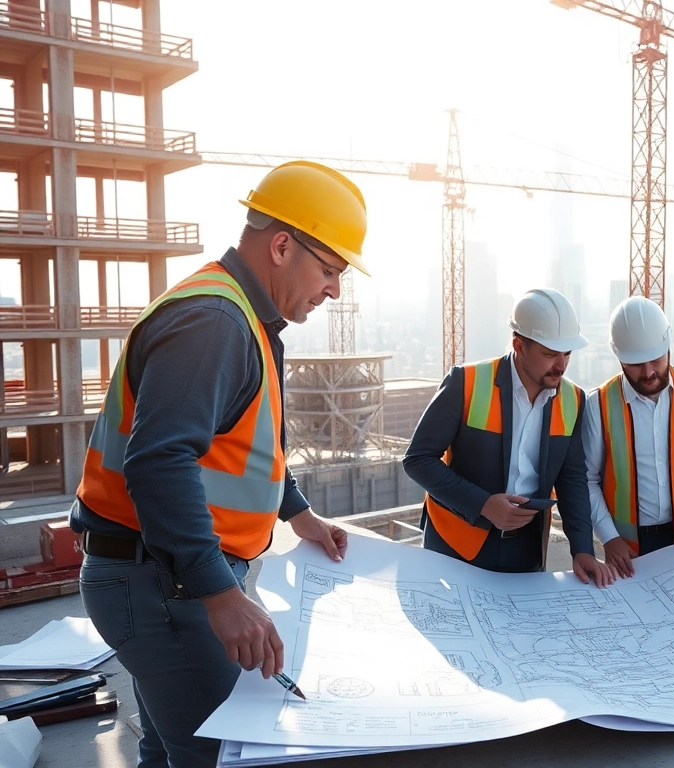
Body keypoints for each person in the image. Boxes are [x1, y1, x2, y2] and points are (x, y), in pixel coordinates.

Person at [70, 161, 367, 767]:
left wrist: (297, 512)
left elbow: (238, 446)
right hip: (164, 582)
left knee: (166, 751)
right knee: (218, 757)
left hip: (160, 575)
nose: (335, 290)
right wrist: (221, 595)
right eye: (330, 270)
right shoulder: (215, 322)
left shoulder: (240, 316)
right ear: (281, 247)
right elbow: (159, 463)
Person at [403, 288, 613, 587]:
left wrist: (582, 549)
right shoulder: (466, 382)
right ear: (519, 345)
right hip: (456, 545)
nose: (561, 365)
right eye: (550, 354)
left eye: (567, 353)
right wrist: (483, 504)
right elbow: (418, 460)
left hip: (526, 552)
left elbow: (572, 479)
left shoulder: (573, 399)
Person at [583, 296, 674, 577]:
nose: (649, 372)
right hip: (626, 551)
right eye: (636, 364)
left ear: (668, 347)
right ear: (619, 358)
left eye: (656, 360)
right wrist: (609, 537)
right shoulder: (599, 404)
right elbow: (586, 479)